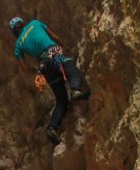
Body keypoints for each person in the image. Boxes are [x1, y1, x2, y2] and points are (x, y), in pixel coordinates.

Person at [9, 16, 90, 145]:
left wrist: (36, 69)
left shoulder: (18, 45)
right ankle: (75, 89)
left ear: (14, 32)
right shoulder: (35, 23)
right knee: (69, 65)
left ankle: (52, 128)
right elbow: (53, 36)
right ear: (22, 23)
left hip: (44, 66)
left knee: (61, 100)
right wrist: (63, 46)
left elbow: (24, 68)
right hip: (53, 53)